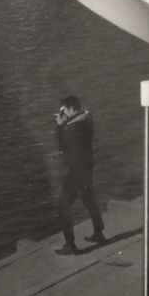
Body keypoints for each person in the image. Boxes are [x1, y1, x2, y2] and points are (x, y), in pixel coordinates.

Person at [55, 95, 105, 254]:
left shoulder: (72, 127)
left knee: (63, 206)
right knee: (88, 199)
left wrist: (60, 126)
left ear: (69, 109)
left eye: (64, 110)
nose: (63, 113)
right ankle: (99, 232)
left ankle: (70, 244)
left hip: (76, 169)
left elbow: (62, 146)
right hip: (88, 165)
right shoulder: (87, 118)